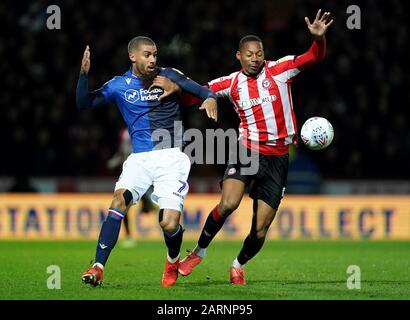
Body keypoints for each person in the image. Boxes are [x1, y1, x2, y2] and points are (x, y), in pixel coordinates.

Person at [153, 9, 333, 285]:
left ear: (264, 54)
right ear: (239, 56)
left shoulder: (281, 70)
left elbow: (313, 57)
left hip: (278, 157)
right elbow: (199, 94)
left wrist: (318, 40)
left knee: (260, 230)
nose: (255, 59)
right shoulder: (231, 83)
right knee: (228, 203)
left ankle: (238, 265)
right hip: (246, 150)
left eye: (258, 53)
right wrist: (177, 88)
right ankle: (198, 252)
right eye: (249, 54)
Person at [76, 36, 218, 287]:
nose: (153, 59)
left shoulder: (169, 75)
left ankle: (172, 259)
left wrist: (209, 98)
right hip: (139, 158)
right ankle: (98, 266)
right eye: (147, 55)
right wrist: (83, 76)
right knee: (119, 200)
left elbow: (203, 90)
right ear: (133, 56)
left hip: (171, 156)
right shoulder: (118, 85)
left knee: (168, 222)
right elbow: (83, 103)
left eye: (155, 54)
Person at [107, 127, 157, 248]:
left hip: (140, 171)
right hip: (130, 173)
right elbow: (121, 152)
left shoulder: (142, 130)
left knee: (131, 202)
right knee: (124, 207)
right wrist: (115, 161)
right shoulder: (126, 133)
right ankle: (129, 235)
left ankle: (149, 205)